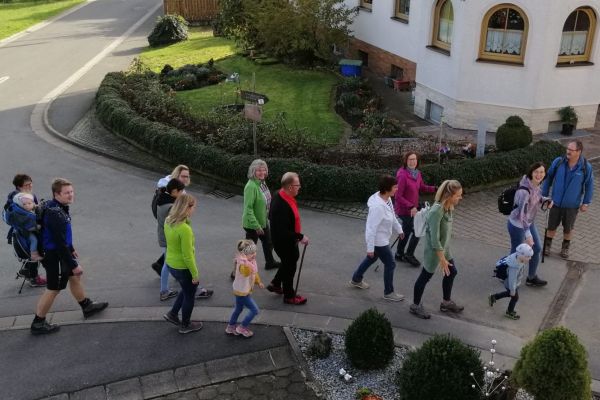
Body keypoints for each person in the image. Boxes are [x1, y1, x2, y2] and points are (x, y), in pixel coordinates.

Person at [30, 178, 108, 334]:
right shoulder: (55, 213)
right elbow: (59, 243)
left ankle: (86, 306)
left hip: (59, 252)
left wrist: (71, 248)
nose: (71, 195)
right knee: (53, 288)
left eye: (72, 191)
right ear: (56, 194)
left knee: (74, 277)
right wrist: (73, 264)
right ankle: (38, 323)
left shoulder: (56, 206)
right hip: (55, 255)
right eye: (66, 193)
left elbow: (60, 236)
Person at [409, 179, 464, 319]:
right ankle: (415, 306)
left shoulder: (449, 208)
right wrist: (442, 259)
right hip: (434, 251)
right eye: (458, 195)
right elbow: (434, 239)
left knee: (452, 272)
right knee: (425, 276)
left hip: (444, 248)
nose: (460, 198)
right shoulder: (436, 211)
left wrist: (445, 255)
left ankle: (446, 303)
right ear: (449, 195)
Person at [350, 175, 405, 301]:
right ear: (387, 189)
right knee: (390, 264)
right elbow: (371, 228)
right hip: (379, 241)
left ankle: (356, 279)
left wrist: (399, 229)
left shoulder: (387, 199)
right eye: (395, 187)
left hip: (381, 239)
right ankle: (388, 293)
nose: (397, 189)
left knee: (372, 258)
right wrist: (370, 248)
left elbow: (392, 216)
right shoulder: (378, 207)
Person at [542, 140, 594, 259]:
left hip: (572, 206)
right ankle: (547, 246)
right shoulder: (559, 162)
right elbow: (548, 178)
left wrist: (586, 202)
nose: (568, 151)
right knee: (551, 226)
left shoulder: (586, 167)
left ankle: (565, 248)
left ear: (579, 151)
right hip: (555, 203)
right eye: (567, 148)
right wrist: (544, 196)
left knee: (568, 229)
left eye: (571, 150)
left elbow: (589, 185)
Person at [162, 194, 204, 334]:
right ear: (187, 208)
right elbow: (188, 255)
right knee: (189, 296)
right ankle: (186, 325)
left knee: (186, 290)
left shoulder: (168, 220)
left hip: (170, 264)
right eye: (193, 207)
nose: (194, 210)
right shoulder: (185, 229)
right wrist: (195, 274)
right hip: (183, 267)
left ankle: (173, 314)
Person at [267, 172, 309, 305]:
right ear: (290, 187)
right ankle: (289, 295)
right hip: (283, 242)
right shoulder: (281, 205)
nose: (299, 187)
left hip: (285, 239)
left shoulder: (280, 194)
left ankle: (275, 283)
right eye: (298, 185)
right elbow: (283, 231)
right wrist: (300, 237)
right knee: (290, 266)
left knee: (288, 262)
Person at [507, 162, 552, 287]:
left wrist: (545, 200)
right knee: (517, 253)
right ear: (531, 173)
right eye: (536, 172)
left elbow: (537, 197)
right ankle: (509, 278)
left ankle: (531, 278)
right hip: (517, 225)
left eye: (542, 172)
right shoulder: (524, 192)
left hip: (528, 222)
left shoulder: (536, 185)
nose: (539, 175)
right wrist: (528, 235)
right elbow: (522, 216)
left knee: (537, 248)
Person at [394, 152, 437, 267]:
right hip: (404, 209)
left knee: (406, 231)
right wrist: (410, 206)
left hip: (413, 208)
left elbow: (422, 187)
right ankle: (409, 254)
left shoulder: (417, 173)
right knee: (417, 230)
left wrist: (435, 189)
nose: (412, 162)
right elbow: (398, 196)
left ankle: (399, 253)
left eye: (414, 159)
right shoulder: (402, 175)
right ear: (405, 161)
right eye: (410, 159)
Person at [5, 174, 46, 286]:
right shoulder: (17, 197)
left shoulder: (28, 195)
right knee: (34, 251)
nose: (30, 186)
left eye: (30, 183)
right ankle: (34, 278)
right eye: (26, 185)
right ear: (19, 186)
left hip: (28, 229)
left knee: (33, 251)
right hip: (25, 231)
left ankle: (26, 271)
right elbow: (15, 216)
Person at [242, 159, 280, 272]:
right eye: (259, 170)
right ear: (253, 171)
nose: (262, 172)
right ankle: (237, 271)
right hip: (252, 224)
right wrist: (256, 226)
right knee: (249, 249)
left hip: (262, 221)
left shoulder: (261, 183)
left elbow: (265, 202)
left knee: (268, 243)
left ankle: (270, 262)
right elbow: (248, 209)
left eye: (264, 170)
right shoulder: (251, 186)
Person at [152, 165, 191, 273]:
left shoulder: (178, 188)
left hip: (168, 221)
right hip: (167, 220)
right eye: (183, 176)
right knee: (176, 247)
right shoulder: (169, 187)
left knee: (172, 247)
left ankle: (160, 265)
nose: (186, 179)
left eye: (187, 176)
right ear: (177, 175)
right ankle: (173, 270)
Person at [226, 239, 264, 338]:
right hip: (242, 292)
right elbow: (247, 273)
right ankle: (242, 327)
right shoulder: (242, 265)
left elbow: (254, 273)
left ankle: (231, 326)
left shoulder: (251, 261)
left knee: (238, 309)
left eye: (254, 252)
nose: (254, 254)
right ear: (244, 254)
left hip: (241, 290)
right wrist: (245, 263)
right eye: (251, 253)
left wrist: (258, 281)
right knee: (255, 310)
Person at [156, 178, 185, 301]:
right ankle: (164, 291)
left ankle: (166, 289)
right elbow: (175, 225)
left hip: (163, 236)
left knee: (169, 263)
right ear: (174, 191)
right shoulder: (170, 206)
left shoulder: (162, 199)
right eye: (181, 191)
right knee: (168, 264)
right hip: (169, 239)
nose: (182, 194)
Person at [489, 243, 534, 320]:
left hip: (511, 282)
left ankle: (493, 297)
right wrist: (513, 290)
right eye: (528, 256)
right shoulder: (514, 267)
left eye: (530, 256)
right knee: (515, 297)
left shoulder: (517, 257)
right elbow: (512, 280)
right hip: (509, 283)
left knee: (509, 294)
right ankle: (509, 312)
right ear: (521, 255)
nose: (530, 258)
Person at [11, 192, 43, 261]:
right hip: (25, 232)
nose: (27, 206)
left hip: (27, 230)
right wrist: (37, 227)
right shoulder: (23, 215)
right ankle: (33, 255)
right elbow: (27, 227)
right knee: (34, 240)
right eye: (24, 204)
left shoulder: (29, 210)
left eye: (29, 203)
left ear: (33, 203)